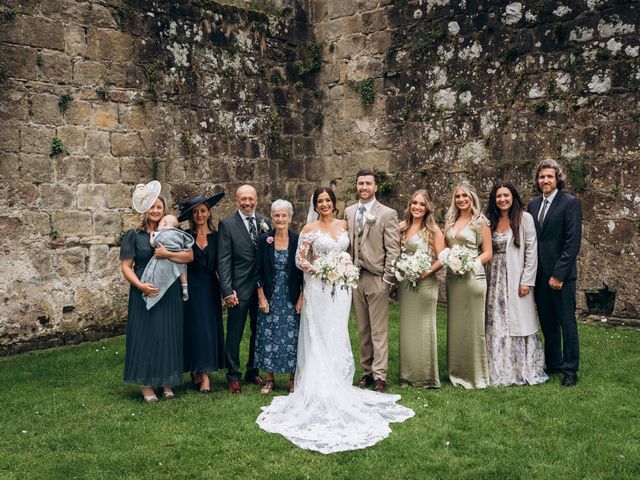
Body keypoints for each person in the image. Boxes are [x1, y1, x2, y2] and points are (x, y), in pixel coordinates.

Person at [256, 187, 414, 454]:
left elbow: (357, 247)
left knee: (338, 333)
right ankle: (318, 384)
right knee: (318, 334)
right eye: (320, 201)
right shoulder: (308, 229)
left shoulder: (345, 223)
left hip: (340, 288)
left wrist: (342, 270)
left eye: (328, 200)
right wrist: (322, 270)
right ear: (315, 205)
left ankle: (340, 381)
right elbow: (300, 260)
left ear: (334, 203)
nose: (325, 204)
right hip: (318, 288)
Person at [120, 181, 193, 402]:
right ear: (144, 209)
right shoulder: (134, 236)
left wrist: (167, 255)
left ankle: (165, 381)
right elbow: (125, 266)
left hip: (169, 289)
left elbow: (189, 257)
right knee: (145, 336)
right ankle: (145, 383)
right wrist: (141, 285)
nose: (155, 210)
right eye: (151, 206)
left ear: (164, 210)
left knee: (166, 335)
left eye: (159, 207)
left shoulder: (172, 233)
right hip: (144, 291)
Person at [485, 182, 548, 386]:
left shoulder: (525, 218)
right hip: (495, 277)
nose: (502, 199)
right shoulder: (490, 221)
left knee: (519, 321)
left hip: (516, 276)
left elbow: (531, 251)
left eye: (506, 195)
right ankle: (496, 366)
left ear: (513, 197)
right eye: (498, 196)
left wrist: (527, 281)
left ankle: (520, 368)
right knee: (497, 320)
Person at [344, 169, 401, 392]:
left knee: (379, 329)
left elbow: (393, 249)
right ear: (356, 186)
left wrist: (387, 279)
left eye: (368, 183)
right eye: (360, 183)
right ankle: (366, 372)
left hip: (377, 277)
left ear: (375, 187)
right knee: (362, 329)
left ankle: (380, 376)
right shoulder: (349, 212)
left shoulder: (387, 213)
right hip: (356, 278)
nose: (364, 187)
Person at [528, 159, 582, 387]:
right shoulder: (532, 205)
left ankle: (571, 370)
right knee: (548, 324)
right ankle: (554, 363)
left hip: (561, 276)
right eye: (541, 177)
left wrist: (559, 275)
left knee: (567, 323)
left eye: (549, 176)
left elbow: (572, 242)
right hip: (539, 276)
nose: (545, 180)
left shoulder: (570, 203)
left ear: (557, 178)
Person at [218, 184, 271, 393]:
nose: (247, 202)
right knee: (235, 332)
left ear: (256, 199)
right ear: (236, 200)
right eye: (243, 199)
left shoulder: (265, 222)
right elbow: (223, 261)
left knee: (258, 332)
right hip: (238, 289)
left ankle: (253, 370)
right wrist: (227, 291)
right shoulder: (227, 225)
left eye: (251, 198)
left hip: (261, 290)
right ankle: (233, 375)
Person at [443, 182, 492, 389]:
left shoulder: (480, 221)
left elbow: (488, 252)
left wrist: (469, 264)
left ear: (472, 198)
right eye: (458, 196)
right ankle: (456, 372)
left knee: (473, 327)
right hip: (453, 279)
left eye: (465, 196)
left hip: (473, 278)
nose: (461, 199)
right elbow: (445, 247)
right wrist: (450, 262)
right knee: (456, 326)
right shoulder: (450, 220)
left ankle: (476, 376)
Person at [178, 193, 226, 394]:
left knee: (207, 330)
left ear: (209, 213)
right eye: (195, 212)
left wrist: (227, 290)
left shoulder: (217, 237)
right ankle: (200, 373)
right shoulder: (185, 236)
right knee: (194, 329)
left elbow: (222, 265)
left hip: (210, 287)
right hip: (190, 287)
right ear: (191, 216)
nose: (199, 215)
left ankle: (202, 371)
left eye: (203, 211)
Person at [397, 189, 445, 388]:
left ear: (427, 208)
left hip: (425, 285)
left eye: (422, 204)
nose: (417, 207)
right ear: (410, 205)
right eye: (414, 203)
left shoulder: (433, 230)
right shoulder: (401, 227)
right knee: (408, 329)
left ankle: (426, 377)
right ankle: (407, 376)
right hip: (406, 285)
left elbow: (442, 258)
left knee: (424, 329)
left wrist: (424, 273)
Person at [255, 200, 303, 394]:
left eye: (284, 215)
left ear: (290, 218)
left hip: (290, 295)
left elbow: (302, 274)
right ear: (272, 218)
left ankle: (292, 379)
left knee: (292, 336)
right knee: (268, 334)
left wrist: (301, 298)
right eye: (276, 215)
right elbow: (257, 270)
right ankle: (269, 378)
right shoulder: (264, 240)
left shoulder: (298, 240)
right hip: (270, 294)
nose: (280, 219)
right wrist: (261, 297)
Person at [140, 214, 194, 309]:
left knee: (156, 272)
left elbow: (153, 244)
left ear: (164, 223)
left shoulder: (161, 233)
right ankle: (185, 287)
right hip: (179, 261)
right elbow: (185, 248)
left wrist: (152, 236)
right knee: (181, 271)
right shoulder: (179, 234)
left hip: (165, 263)